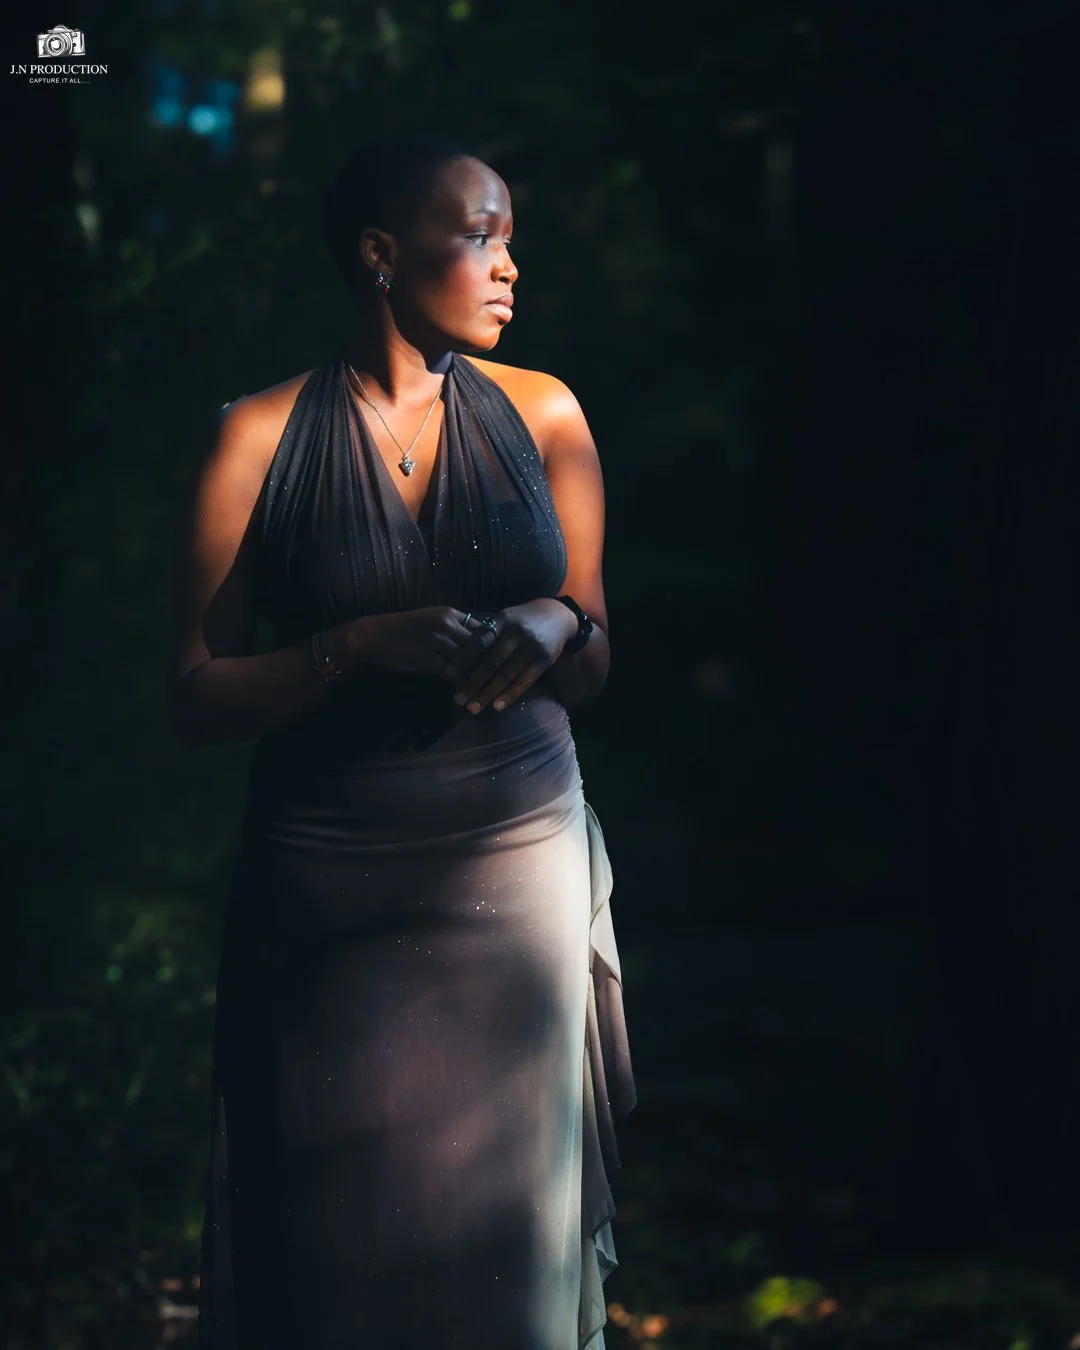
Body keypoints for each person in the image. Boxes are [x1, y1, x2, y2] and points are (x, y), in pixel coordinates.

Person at [168, 134, 636, 1350]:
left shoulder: (547, 415)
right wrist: (353, 645)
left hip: (513, 860)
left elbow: (594, 656)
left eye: (510, 237)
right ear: (383, 255)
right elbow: (197, 696)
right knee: (334, 1242)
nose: (509, 266)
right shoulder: (255, 440)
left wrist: (552, 616)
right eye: (482, 235)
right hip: (324, 884)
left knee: (510, 1244)